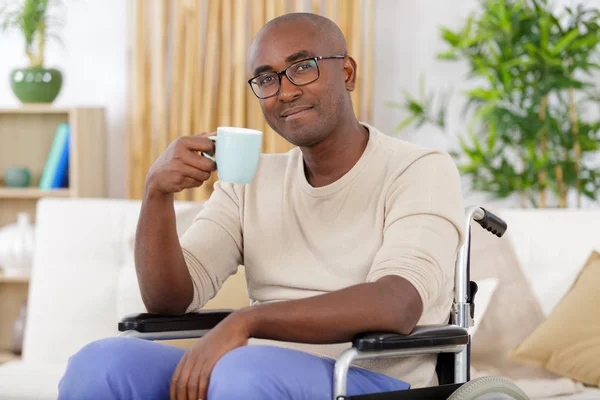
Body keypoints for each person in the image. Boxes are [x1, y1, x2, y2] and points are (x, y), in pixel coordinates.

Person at [58, 12, 465, 400]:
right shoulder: (250, 182)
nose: (285, 91)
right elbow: (169, 301)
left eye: (303, 67)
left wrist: (248, 320)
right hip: (249, 376)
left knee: (243, 371)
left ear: (347, 73)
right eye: (266, 78)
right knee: (99, 364)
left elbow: (397, 304)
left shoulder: (419, 169)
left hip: (370, 379)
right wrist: (156, 194)